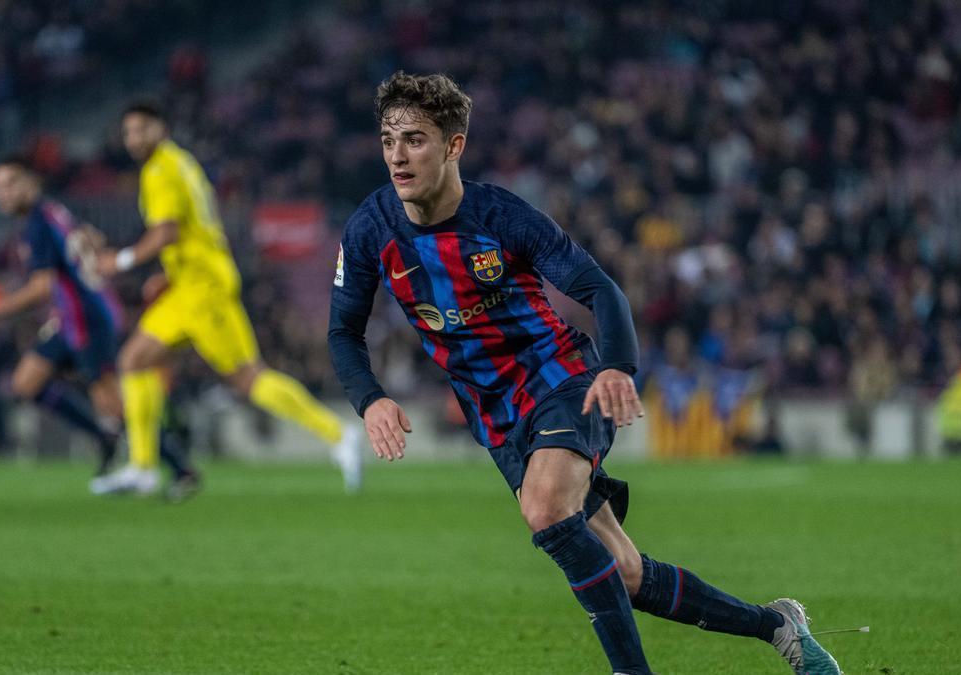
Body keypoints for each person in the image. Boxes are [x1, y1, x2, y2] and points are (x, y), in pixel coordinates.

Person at [327, 71, 842, 675]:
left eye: (414, 139)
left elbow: (600, 289)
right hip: (495, 416)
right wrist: (371, 401)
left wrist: (618, 367)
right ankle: (777, 625)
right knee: (623, 573)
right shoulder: (371, 229)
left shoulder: (504, 218)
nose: (397, 155)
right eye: (388, 140)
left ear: (454, 145)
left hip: (563, 379)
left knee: (545, 508)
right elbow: (343, 331)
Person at [93, 102, 362, 494]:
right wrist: (168, 275)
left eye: (141, 129)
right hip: (189, 285)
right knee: (134, 360)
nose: (133, 138)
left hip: (205, 290)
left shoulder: (161, 170)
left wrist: (119, 261)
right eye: (129, 131)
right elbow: (192, 230)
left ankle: (338, 435)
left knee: (248, 378)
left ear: (161, 128)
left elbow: (166, 232)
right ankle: (144, 467)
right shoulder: (180, 163)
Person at [0, 157, 198, 491]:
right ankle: (103, 437)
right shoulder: (53, 212)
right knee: (26, 382)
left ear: (32, 183)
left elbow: (42, 287)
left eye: (10, 184)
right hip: (74, 317)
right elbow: (88, 239)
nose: (1, 194)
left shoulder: (40, 223)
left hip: (87, 318)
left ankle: (180, 467)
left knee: (112, 403)